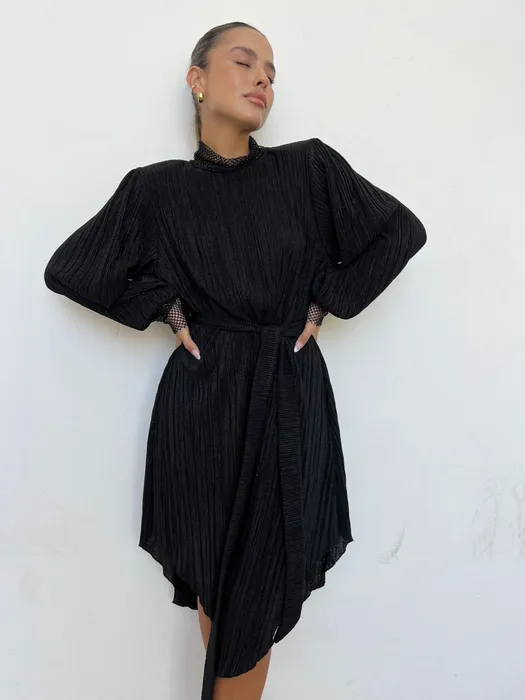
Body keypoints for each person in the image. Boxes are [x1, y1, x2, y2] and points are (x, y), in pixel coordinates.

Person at [44, 20, 427, 700]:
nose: (262, 80)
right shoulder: (155, 190)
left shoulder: (308, 169)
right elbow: (71, 268)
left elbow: (400, 231)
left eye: (271, 73)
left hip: (287, 390)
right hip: (204, 398)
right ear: (197, 80)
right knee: (219, 577)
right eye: (245, 62)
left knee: (263, 573)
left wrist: (326, 299)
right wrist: (164, 306)